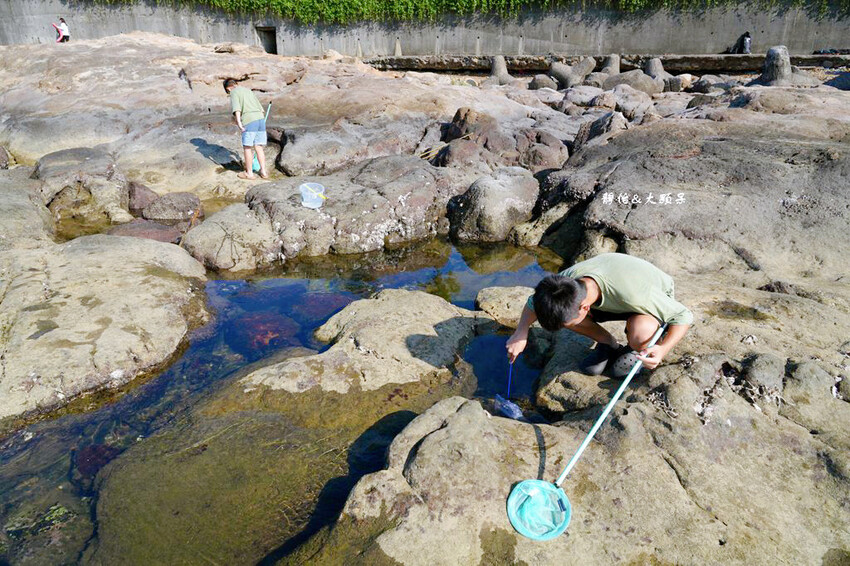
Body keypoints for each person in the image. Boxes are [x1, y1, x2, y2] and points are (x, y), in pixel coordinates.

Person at [506, 253, 692, 376]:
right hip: (607, 296)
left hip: (641, 292)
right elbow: (533, 302)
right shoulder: (563, 285)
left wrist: (663, 349)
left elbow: (683, 316)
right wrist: (520, 332)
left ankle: (635, 348)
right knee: (563, 317)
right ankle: (609, 344)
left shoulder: (635, 294)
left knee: (641, 333)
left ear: (584, 308)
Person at [223, 78, 268, 180]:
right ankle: (263, 172)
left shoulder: (234, 92)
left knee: (247, 147)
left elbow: (237, 108)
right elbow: (261, 109)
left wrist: (239, 123)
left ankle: (249, 173)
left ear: (228, 88)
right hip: (260, 119)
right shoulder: (248, 90)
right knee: (258, 147)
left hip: (249, 120)